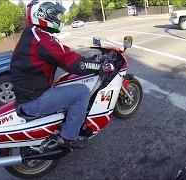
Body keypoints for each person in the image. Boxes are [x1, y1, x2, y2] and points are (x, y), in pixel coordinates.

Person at [10, 0, 113, 150]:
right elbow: (72, 63)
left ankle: (66, 124)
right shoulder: (41, 38)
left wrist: (85, 60)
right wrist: (98, 66)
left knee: (65, 84)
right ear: (43, 15)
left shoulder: (32, 34)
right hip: (34, 100)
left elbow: (65, 54)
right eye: (54, 15)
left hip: (28, 95)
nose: (57, 19)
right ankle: (69, 137)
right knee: (82, 92)